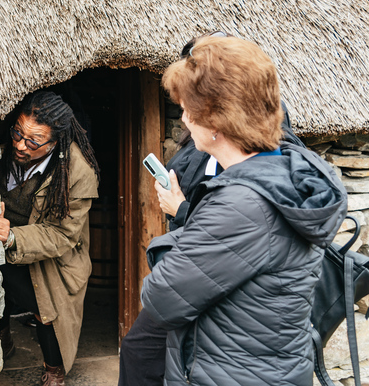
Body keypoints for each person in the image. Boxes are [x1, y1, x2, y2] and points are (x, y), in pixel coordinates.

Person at [140, 35, 346, 385]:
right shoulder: (286, 173)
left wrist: (174, 238)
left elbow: (160, 298)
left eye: (188, 109)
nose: (185, 119)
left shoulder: (241, 204)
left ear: (216, 122)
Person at [0, 91, 100, 386]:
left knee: (46, 309)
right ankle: (4, 339)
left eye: (33, 142)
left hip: (52, 258)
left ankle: (54, 368)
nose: (21, 145)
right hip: (5, 242)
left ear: (56, 141)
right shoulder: (2, 149)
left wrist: (12, 237)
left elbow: (62, 234)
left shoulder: (78, 173)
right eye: (18, 133)